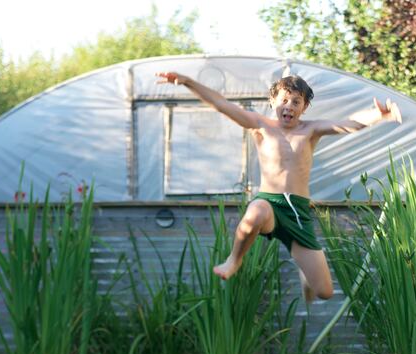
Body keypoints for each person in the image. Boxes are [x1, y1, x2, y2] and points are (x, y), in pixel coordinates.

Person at [155, 70, 402, 302]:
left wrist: (378, 115)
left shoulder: (310, 129)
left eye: (296, 102)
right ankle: (234, 259)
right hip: (270, 204)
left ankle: (304, 274)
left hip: (298, 212)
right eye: (284, 100)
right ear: (273, 101)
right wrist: (186, 81)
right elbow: (222, 104)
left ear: (304, 107)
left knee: (324, 292)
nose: (289, 106)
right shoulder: (260, 125)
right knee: (255, 213)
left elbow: (348, 123)